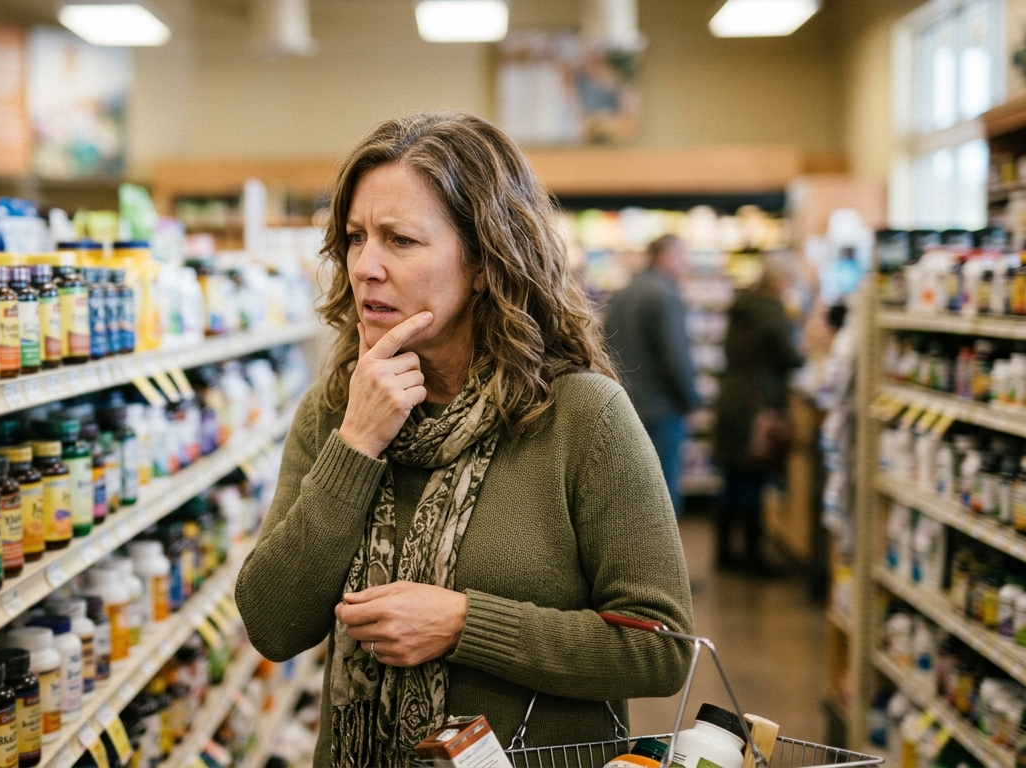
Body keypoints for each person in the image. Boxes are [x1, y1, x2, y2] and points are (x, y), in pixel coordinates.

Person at [234, 113, 694, 767]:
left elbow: (662, 647)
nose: (365, 266)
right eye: (356, 237)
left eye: (400, 240)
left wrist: (463, 623)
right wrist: (357, 444)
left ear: (483, 262)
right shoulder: (334, 413)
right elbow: (274, 624)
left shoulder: (582, 418)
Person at [713, 256, 803, 574]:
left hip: (732, 398)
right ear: (781, 282)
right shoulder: (771, 311)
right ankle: (753, 557)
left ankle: (724, 553)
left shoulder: (740, 308)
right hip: (757, 403)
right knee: (753, 477)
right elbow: (789, 357)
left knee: (732, 479)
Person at [603, 235, 703, 515]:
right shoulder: (665, 294)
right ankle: (661, 560)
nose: (688, 264)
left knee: (628, 497)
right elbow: (675, 357)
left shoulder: (622, 292)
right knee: (662, 499)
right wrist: (692, 402)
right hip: (661, 410)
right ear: (667, 255)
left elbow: (605, 346)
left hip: (625, 405)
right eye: (684, 256)